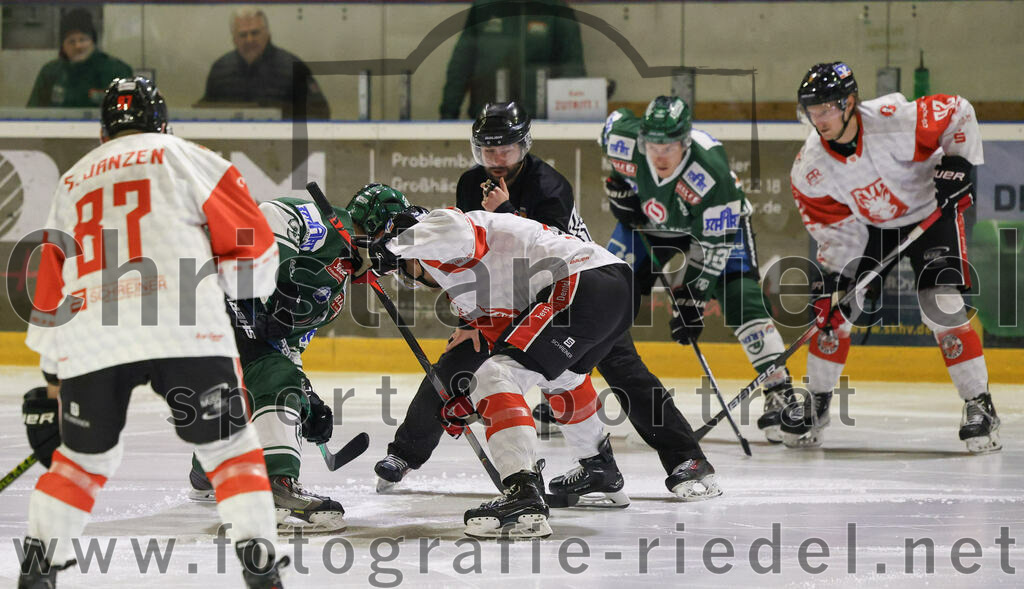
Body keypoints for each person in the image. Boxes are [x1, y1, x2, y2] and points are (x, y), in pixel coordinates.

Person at [20, 77, 287, 587]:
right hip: (183, 323)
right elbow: (257, 255)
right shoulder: (189, 156)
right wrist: (217, 287)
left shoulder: (72, 179)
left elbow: (50, 290)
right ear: (163, 123)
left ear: (103, 133)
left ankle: (35, 576)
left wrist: (54, 380)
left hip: (90, 334)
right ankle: (263, 574)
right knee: (230, 451)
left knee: (79, 463)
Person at [369, 205, 634, 538]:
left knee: (494, 376)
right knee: (561, 377)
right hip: (614, 284)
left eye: (405, 271)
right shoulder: (462, 291)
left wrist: (393, 246)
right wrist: (468, 403)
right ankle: (599, 466)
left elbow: (453, 230)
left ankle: (522, 494)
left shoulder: (446, 229)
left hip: (579, 281)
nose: (409, 278)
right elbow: (507, 342)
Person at [373, 101, 597, 493]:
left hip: (560, 299)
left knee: (555, 376)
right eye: (487, 150)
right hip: (499, 303)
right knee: (450, 371)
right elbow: (470, 262)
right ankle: (404, 454)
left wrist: (508, 210)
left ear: (523, 145)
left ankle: (610, 464)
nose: (496, 158)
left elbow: (547, 257)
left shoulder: (551, 187)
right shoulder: (470, 184)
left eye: (504, 149)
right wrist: (471, 323)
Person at [787, 62, 999, 452]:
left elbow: (958, 111)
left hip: (929, 212)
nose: (817, 120)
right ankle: (816, 402)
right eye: (810, 112)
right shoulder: (811, 168)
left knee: (942, 305)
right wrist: (839, 276)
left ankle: (979, 405)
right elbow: (831, 223)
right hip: (871, 227)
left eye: (825, 109)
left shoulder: (894, 120)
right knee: (836, 310)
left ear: (849, 103)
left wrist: (957, 163)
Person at [599, 96, 799, 493]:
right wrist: (622, 192)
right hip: (653, 220)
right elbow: (612, 124)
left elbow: (714, 246)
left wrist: (692, 300)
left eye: (669, 146)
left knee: (740, 295)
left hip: (714, 228)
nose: (660, 154)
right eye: (653, 145)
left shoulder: (711, 175)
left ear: (685, 142)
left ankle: (781, 394)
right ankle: (571, 387)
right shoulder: (623, 141)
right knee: (605, 290)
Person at [188, 183, 408, 532]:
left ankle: (209, 468)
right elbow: (267, 217)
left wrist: (307, 397)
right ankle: (277, 488)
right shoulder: (330, 223)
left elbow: (289, 348)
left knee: (268, 382)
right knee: (273, 376)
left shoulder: (335, 296)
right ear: (382, 228)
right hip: (221, 298)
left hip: (233, 331)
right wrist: (281, 277)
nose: (390, 265)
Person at [439, 0, 585, 119]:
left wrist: (568, 121)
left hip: (540, 123)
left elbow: (573, 70)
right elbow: (461, 66)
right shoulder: (484, 7)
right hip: (489, 125)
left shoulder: (556, 9)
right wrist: (448, 114)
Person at [200, 7, 330, 119]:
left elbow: (320, 113)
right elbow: (206, 112)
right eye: (243, 35)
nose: (249, 40)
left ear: (268, 34)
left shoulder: (293, 68)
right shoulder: (220, 70)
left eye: (255, 33)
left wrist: (282, 116)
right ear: (234, 38)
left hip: (282, 144)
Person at [27, 8, 133, 107]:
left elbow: (128, 112)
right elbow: (33, 112)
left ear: (93, 42)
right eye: (71, 41)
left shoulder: (116, 71)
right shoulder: (50, 73)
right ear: (63, 46)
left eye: (82, 39)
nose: (78, 46)